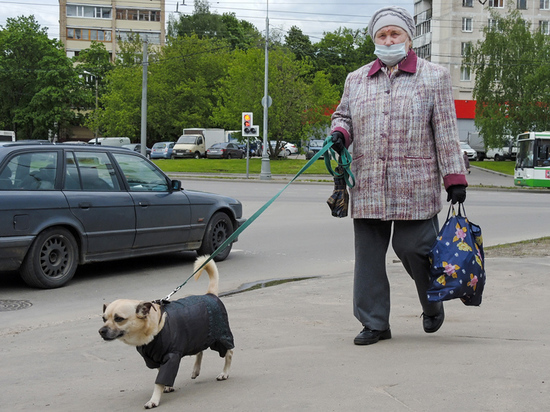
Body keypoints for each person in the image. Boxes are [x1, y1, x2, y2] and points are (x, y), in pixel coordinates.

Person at [330, 6, 468, 345]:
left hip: (415, 185)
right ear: (374, 39)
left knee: (415, 248)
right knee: (369, 260)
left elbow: (447, 132)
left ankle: (432, 303)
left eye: (395, 34)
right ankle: (375, 323)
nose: (388, 40)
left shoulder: (434, 76)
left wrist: (455, 179)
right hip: (369, 183)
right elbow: (343, 115)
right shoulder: (357, 79)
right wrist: (339, 132)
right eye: (382, 35)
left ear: (408, 38)